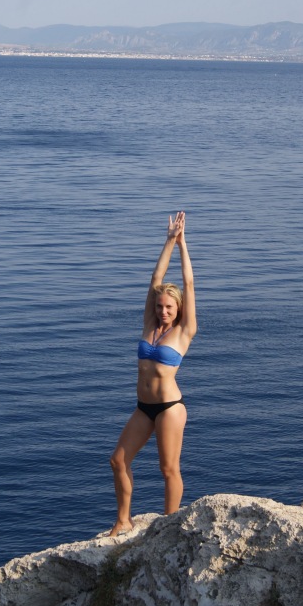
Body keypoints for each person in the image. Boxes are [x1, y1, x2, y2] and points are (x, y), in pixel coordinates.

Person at [108, 211, 196, 536]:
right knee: (118, 460)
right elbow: (155, 279)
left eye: (169, 307)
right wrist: (169, 240)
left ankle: (170, 526)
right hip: (144, 407)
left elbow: (188, 283)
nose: (163, 311)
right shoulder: (149, 324)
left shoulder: (185, 331)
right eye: (159, 306)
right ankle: (123, 520)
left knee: (168, 468)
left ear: (178, 308)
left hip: (170, 408)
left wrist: (183, 245)